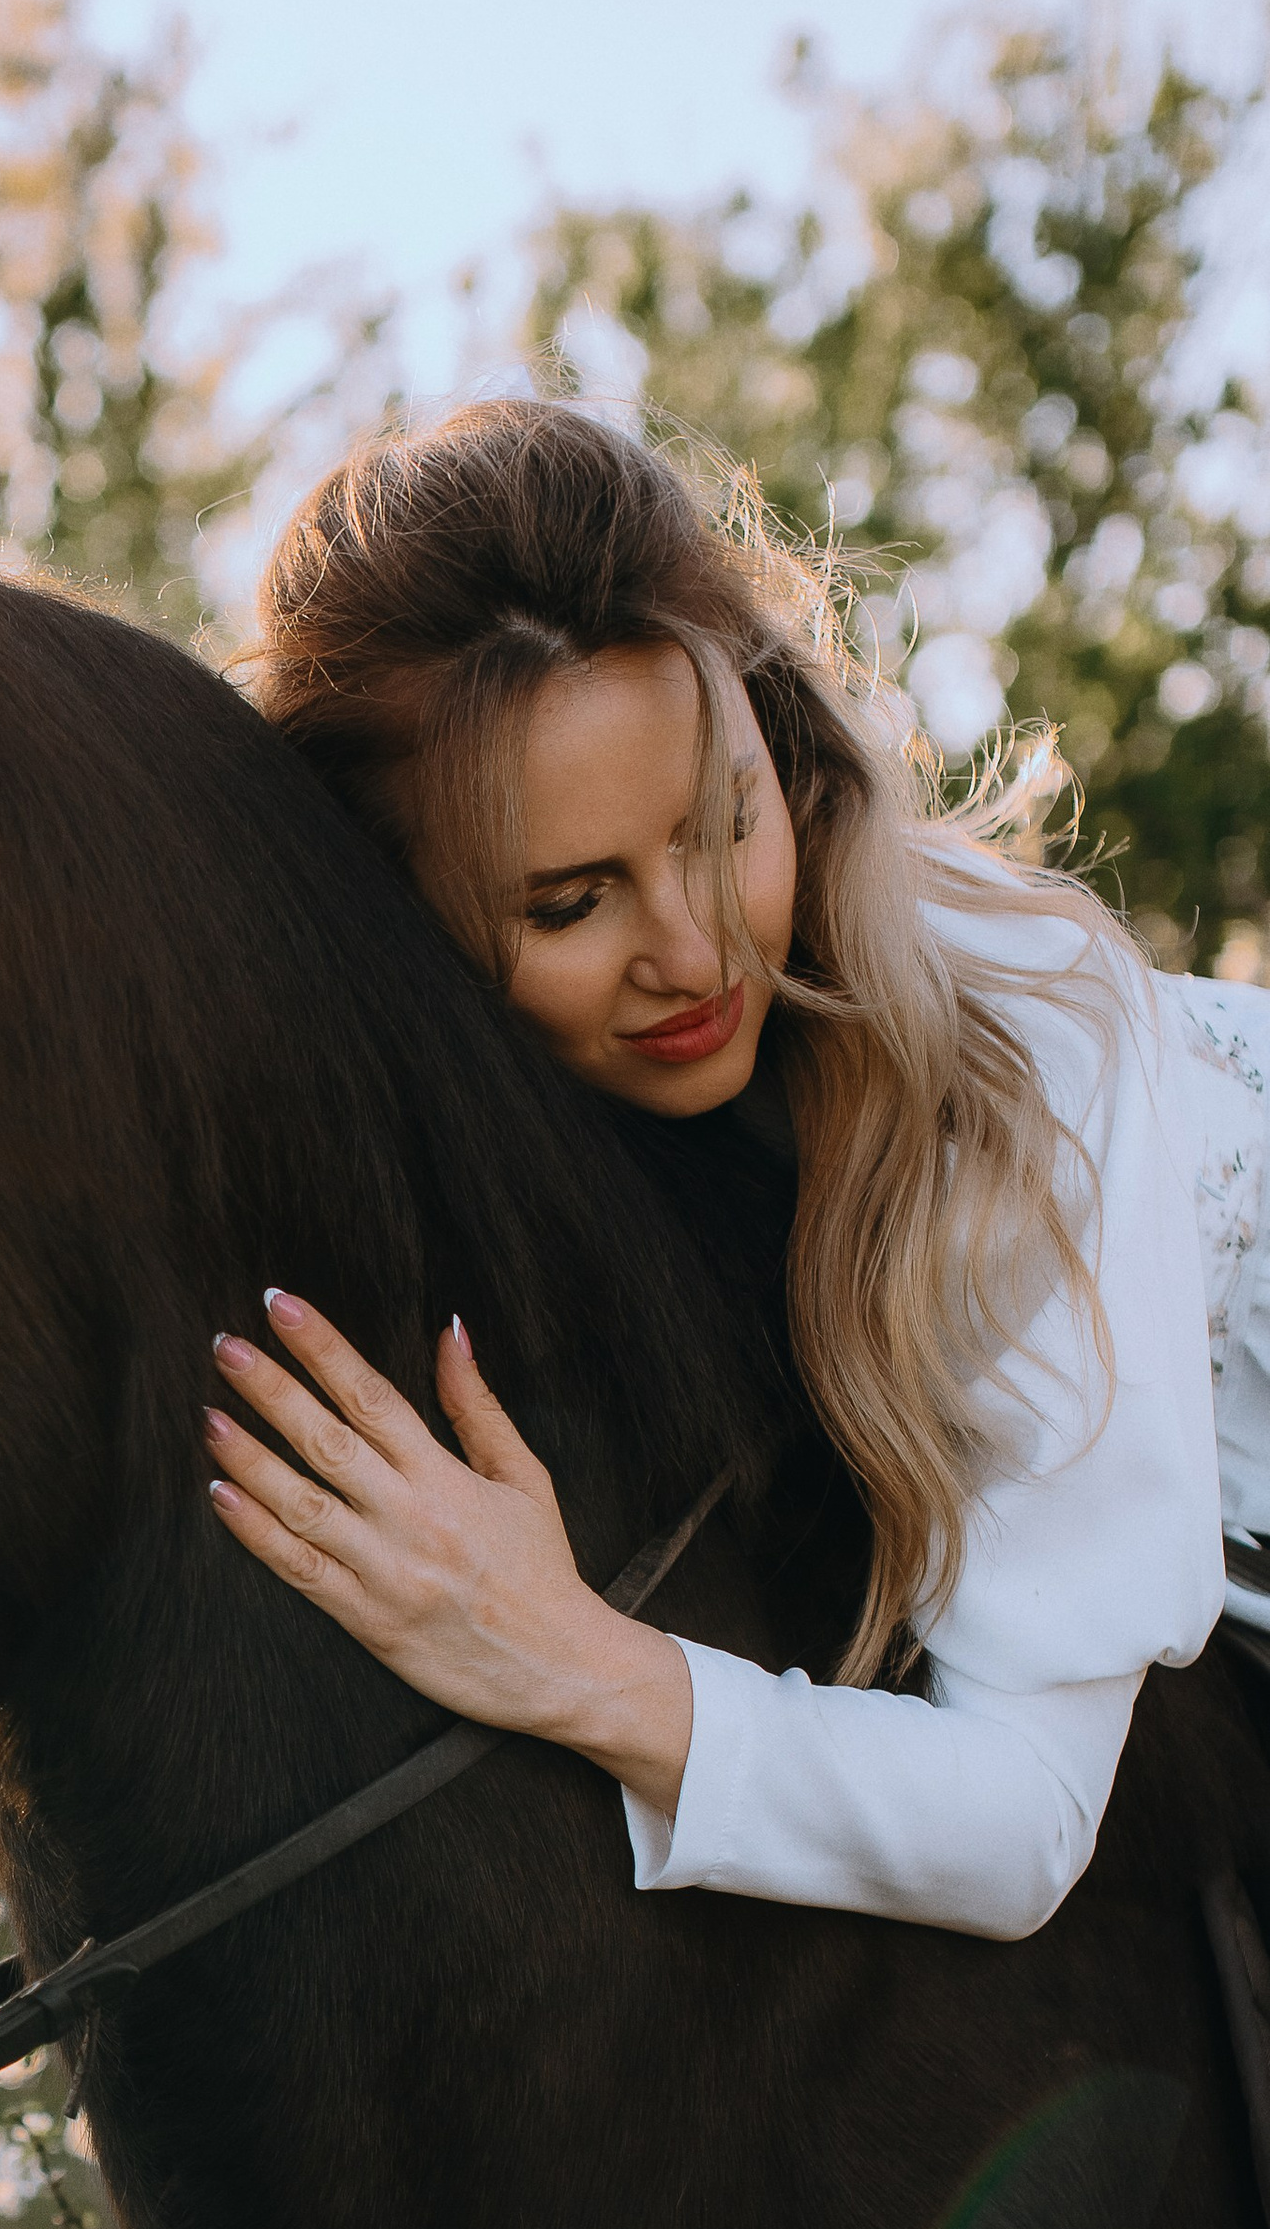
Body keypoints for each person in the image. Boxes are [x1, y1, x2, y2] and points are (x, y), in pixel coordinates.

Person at [206, 401, 1270, 1940]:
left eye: (723, 826)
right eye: (572, 903)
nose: (696, 954)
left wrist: (564, 1653)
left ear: (781, 743)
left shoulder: (1028, 1061)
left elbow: (1027, 1816)